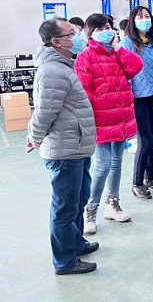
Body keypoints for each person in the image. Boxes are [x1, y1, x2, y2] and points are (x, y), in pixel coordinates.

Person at [27, 18, 98, 275]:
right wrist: (35, 136)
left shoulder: (63, 66)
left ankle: (75, 243)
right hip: (64, 150)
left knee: (77, 199)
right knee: (65, 207)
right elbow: (45, 112)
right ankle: (65, 261)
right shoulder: (53, 71)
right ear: (57, 42)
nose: (78, 37)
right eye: (72, 34)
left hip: (75, 146)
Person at [74, 14, 143, 234]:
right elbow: (83, 93)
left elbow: (136, 66)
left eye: (108, 27)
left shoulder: (116, 54)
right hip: (100, 120)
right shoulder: (85, 57)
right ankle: (90, 210)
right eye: (100, 29)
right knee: (102, 166)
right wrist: (87, 122)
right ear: (90, 34)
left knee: (116, 163)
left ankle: (112, 204)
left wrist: (118, 48)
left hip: (120, 117)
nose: (106, 32)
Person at [120, 6, 153, 199]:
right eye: (140, 17)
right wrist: (128, 97)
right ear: (133, 20)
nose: (144, 20)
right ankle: (137, 183)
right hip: (137, 98)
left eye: (147, 16)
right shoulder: (127, 43)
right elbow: (125, 73)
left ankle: (150, 179)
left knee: (152, 140)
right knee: (145, 141)